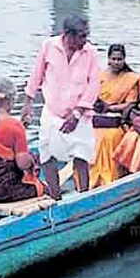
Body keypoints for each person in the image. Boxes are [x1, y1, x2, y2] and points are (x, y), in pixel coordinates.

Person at [20, 14, 101, 200]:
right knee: (47, 155)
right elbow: (36, 76)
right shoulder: (49, 47)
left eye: (85, 35)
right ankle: (55, 196)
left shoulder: (90, 53)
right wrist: (27, 104)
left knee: (81, 157)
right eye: (80, 36)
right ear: (68, 35)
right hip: (52, 111)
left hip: (80, 113)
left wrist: (78, 114)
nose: (84, 40)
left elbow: (94, 85)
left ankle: (84, 197)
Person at [90, 44, 139, 188]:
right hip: (98, 120)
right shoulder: (100, 76)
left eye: (120, 59)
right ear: (108, 59)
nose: (117, 62)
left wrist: (110, 107)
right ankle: (91, 181)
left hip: (117, 121)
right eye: (114, 59)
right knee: (89, 140)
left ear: (124, 60)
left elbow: (131, 103)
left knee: (111, 137)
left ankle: (111, 179)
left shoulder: (131, 79)